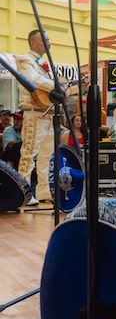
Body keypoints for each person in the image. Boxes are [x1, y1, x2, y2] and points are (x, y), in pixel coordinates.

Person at [16, 30, 58, 204]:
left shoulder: (44, 64)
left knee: (46, 156)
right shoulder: (24, 60)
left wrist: (76, 86)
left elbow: (51, 90)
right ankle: (22, 192)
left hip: (48, 113)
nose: (49, 43)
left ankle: (43, 190)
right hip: (34, 113)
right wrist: (58, 85)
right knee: (29, 153)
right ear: (33, 43)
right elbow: (34, 80)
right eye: (45, 40)